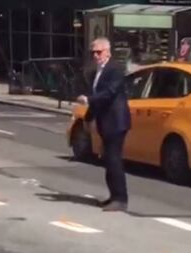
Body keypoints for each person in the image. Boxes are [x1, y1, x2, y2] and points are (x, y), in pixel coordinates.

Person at [76, 37, 131, 212]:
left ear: (108, 51)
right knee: (108, 159)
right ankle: (114, 196)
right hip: (105, 121)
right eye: (93, 53)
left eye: (99, 52)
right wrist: (87, 118)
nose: (96, 56)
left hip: (116, 121)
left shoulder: (115, 69)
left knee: (114, 159)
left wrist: (88, 99)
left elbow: (109, 93)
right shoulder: (96, 72)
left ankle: (121, 199)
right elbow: (97, 101)